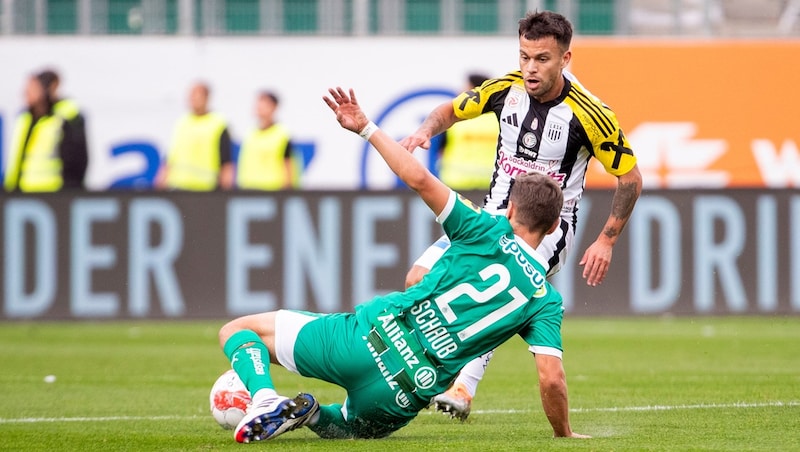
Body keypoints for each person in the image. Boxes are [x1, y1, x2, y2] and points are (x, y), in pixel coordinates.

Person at [216, 87, 589, 443]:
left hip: (367, 340)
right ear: (555, 225)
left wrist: (366, 127)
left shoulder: (483, 228)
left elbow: (419, 178)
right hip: (404, 394)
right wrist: (563, 433)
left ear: (509, 208)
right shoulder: (544, 298)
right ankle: (311, 414)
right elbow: (551, 378)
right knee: (350, 429)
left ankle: (264, 398)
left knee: (238, 331)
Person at [399, 10, 643, 420]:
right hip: (493, 214)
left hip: (547, 228)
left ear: (565, 59)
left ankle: (463, 387)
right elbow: (449, 111)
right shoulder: (503, 90)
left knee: (498, 288)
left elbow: (630, 179)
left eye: (542, 59)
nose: (530, 68)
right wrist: (426, 131)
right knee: (417, 278)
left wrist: (607, 240)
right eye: (524, 56)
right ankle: (420, 368)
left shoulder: (591, 115)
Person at [4, 71, 88, 192]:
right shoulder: (25, 119)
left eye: (33, 88)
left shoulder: (66, 116)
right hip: (22, 193)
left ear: (46, 89)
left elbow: (76, 161)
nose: (26, 93)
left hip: (55, 194)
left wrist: (69, 193)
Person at [155, 81, 234, 191]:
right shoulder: (182, 123)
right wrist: (163, 176)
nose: (193, 100)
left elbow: (226, 158)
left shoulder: (218, 123)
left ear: (207, 98)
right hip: (179, 186)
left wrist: (225, 185)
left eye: (197, 96)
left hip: (206, 188)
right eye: (191, 96)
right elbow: (172, 155)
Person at [437, 73, 498, 191]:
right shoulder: (499, 118)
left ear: (474, 92)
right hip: (491, 185)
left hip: (456, 185)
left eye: (465, 88)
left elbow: (441, 151)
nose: (460, 91)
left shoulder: (454, 118)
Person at [236, 90, 297, 190]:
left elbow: (288, 166)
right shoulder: (250, 134)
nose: (260, 107)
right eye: (259, 103)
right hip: (248, 191)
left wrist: (287, 191)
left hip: (272, 192)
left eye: (265, 103)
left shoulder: (282, 135)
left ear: (274, 107)